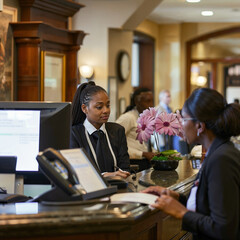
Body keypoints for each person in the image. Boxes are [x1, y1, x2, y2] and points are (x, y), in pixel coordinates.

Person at [142, 88, 240, 240]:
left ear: (200, 126)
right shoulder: (216, 152)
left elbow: (224, 229)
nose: (180, 125)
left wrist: (181, 212)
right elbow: (209, 204)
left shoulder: (222, 159)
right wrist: (176, 197)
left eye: (184, 119)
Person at [70, 81, 130, 179]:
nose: (106, 110)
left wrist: (122, 174)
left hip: (117, 188)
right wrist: (104, 176)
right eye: (99, 107)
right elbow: (76, 174)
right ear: (85, 108)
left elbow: (125, 168)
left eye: (108, 105)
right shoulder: (73, 134)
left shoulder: (117, 131)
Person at [116, 87, 155, 162]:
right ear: (137, 102)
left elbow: (143, 145)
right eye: (148, 101)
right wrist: (141, 154)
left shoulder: (145, 118)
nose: (151, 105)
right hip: (132, 162)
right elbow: (114, 143)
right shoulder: (128, 117)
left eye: (152, 101)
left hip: (145, 162)